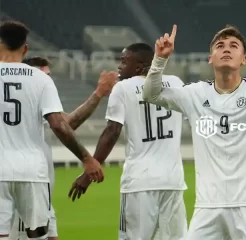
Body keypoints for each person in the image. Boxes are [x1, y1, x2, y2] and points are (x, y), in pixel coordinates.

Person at [142, 21, 246, 240]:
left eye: (234, 45)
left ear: (244, 59)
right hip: (208, 208)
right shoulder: (194, 94)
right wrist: (160, 59)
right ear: (211, 58)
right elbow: (150, 95)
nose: (226, 48)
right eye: (219, 46)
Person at [69, 43, 187, 240]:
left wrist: (88, 173)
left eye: (124, 62)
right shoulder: (176, 83)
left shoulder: (123, 88)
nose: (119, 67)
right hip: (173, 181)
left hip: (139, 182)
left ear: (139, 67)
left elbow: (112, 132)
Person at [0, 20, 104, 240]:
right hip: (32, 173)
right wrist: (86, 158)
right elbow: (58, 123)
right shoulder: (41, 79)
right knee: (37, 235)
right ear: (25, 48)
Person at [8, 56, 117, 240]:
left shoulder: (38, 105)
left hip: (42, 195)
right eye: (43, 76)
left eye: (49, 76)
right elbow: (65, 124)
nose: (47, 81)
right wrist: (87, 158)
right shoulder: (24, 105)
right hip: (25, 195)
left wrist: (99, 93)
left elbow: (66, 123)